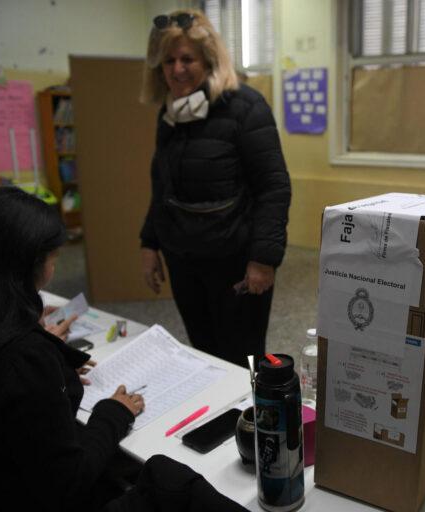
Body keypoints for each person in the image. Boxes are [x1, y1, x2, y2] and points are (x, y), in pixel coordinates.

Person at [0, 187, 248, 511]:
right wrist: (114, 413)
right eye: (53, 257)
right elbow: (69, 482)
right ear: (27, 264)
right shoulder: (23, 360)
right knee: (170, 478)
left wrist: (54, 364)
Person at [139, 10, 291, 367]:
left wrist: (263, 259)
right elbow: (162, 184)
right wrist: (149, 244)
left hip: (235, 263)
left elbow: (274, 186)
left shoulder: (246, 107)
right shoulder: (170, 113)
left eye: (187, 59)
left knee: (240, 357)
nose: (177, 69)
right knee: (203, 353)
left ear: (208, 60)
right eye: (169, 61)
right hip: (184, 260)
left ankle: (245, 421)